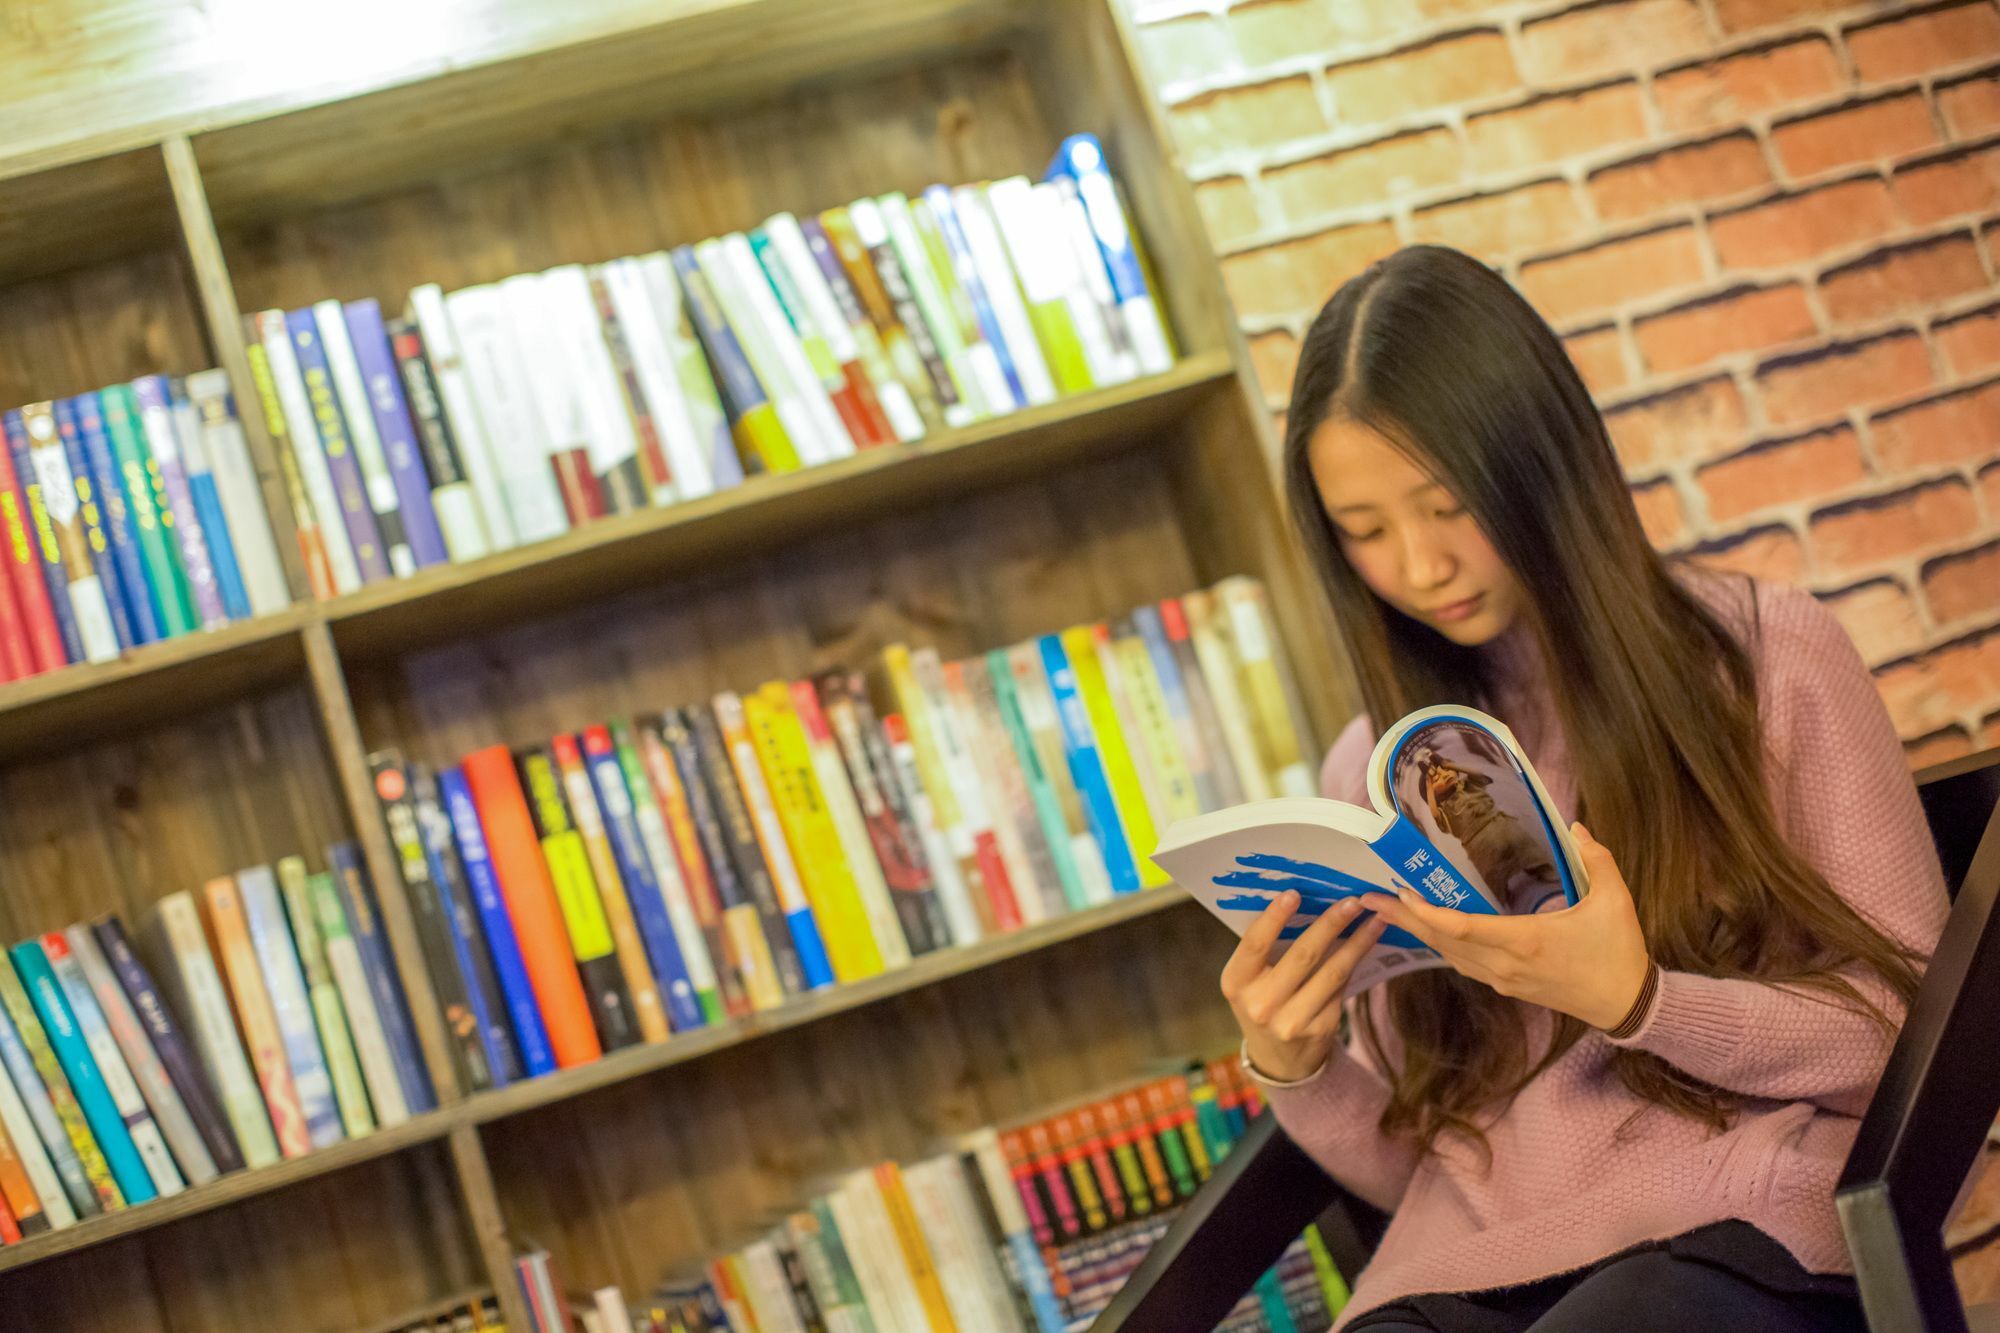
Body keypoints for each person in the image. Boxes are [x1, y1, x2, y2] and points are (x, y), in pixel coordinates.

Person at [1219, 245, 1945, 1332]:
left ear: (1538, 462)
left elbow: (1907, 1050)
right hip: (1467, 1281)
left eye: (1444, 505)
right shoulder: (1371, 773)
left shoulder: (1763, 660)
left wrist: (1642, 999)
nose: (1417, 567)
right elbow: (1424, 1168)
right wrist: (1297, 1065)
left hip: (1728, 1236)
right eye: (1362, 532)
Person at [1412, 745, 1557, 909]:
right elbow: (1435, 813)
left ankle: (1550, 878)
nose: (1444, 776)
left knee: (1530, 853)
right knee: (1496, 880)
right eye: (1437, 779)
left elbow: (1478, 774)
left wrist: (1447, 764)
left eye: (1445, 771)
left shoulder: (1469, 785)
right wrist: (1429, 786)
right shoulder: (1445, 809)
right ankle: (1512, 904)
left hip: (1503, 826)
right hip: (1481, 848)